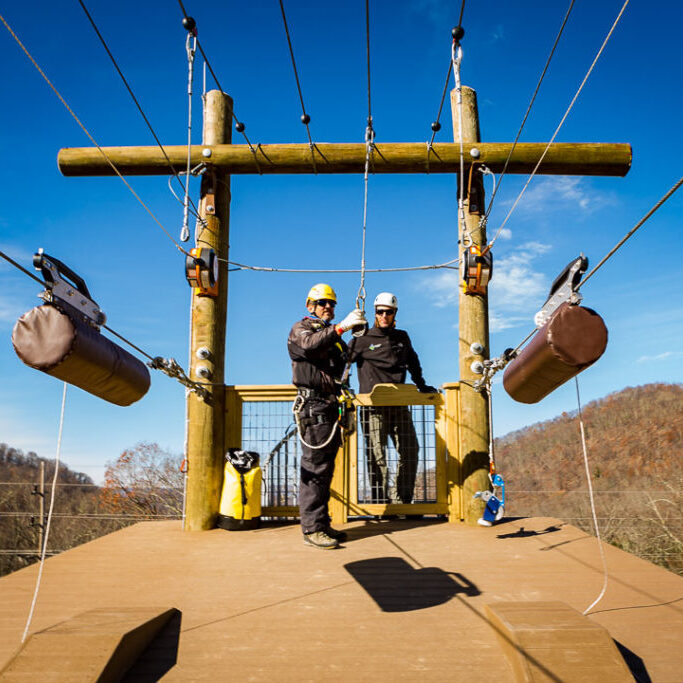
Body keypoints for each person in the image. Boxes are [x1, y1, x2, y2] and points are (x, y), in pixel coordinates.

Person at [287, 283, 365, 549]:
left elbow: (342, 365)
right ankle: (311, 529)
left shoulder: (331, 336)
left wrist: (354, 335)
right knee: (314, 467)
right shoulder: (301, 329)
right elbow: (309, 347)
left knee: (325, 467)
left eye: (331, 303)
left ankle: (320, 523)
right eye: (322, 303)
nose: (328, 307)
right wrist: (342, 328)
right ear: (310, 306)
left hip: (330, 404)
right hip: (314, 405)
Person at [351, 292, 437, 506]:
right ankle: (381, 502)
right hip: (372, 407)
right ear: (375, 313)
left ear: (394, 313)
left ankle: (402, 500)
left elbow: (414, 363)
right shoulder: (362, 339)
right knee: (377, 455)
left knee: (410, 449)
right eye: (380, 312)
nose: (384, 316)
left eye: (388, 312)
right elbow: (343, 361)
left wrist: (422, 385)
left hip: (399, 404)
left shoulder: (402, 337)